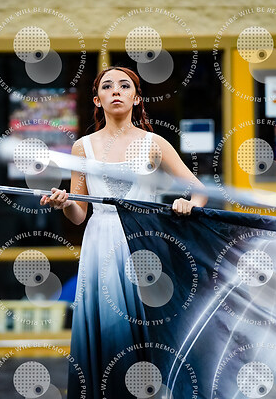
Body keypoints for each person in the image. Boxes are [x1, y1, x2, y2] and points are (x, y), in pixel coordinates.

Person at [40, 66, 207, 398]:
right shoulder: (82, 148)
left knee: (147, 331)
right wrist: (65, 203)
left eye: (124, 86)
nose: (115, 90)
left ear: (137, 98)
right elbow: (79, 215)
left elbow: (199, 191)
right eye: (107, 86)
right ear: (97, 100)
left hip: (145, 243)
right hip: (100, 244)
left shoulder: (154, 143)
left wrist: (188, 204)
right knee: (109, 333)